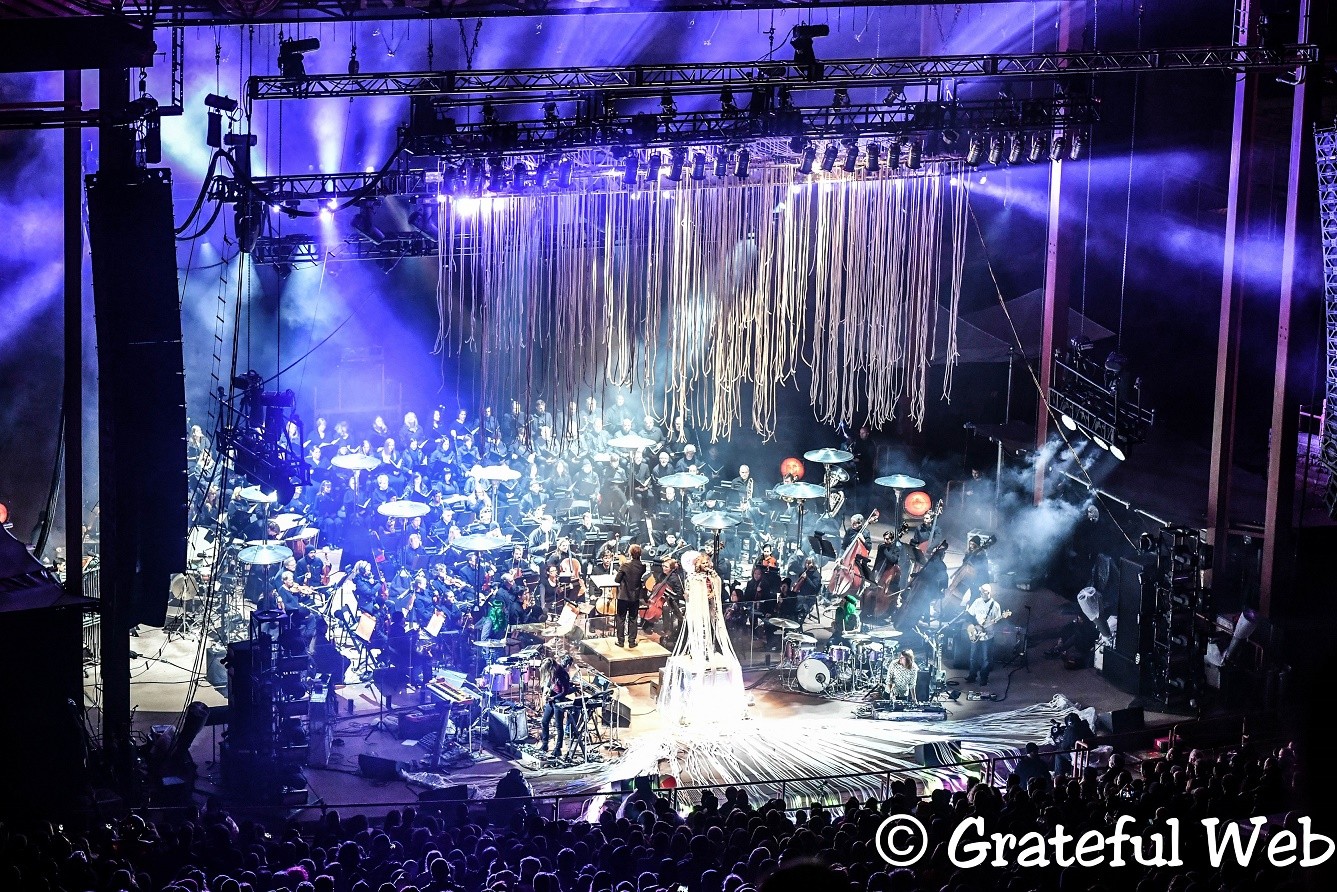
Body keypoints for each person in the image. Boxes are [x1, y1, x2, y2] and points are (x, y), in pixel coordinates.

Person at [539, 653, 577, 758]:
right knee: (544, 721)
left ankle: (558, 749)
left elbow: (564, 692)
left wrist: (553, 698)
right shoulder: (553, 672)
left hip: (559, 701)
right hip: (551, 700)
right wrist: (546, 692)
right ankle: (545, 744)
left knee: (559, 726)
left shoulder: (563, 675)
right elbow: (549, 683)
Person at [965, 582, 1002, 686]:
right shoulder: (977, 602)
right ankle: (972, 676)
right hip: (976, 634)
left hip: (988, 635)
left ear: (988, 592)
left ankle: (983, 678)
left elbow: (998, 620)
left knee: (986, 658)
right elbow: (969, 615)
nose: (980, 593)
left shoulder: (995, 606)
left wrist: (995, 622)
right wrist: (976, 625)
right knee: (973, 657)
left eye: (982, 592)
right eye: (980, 591)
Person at [615, 544, 645, 648]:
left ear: (630, 553)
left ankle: (621, 641)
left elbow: (617, 580)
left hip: (623, 596)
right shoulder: (642, 567)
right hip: (635, 597)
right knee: (633, 619)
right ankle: (632, 642)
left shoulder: (625, 565)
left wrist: (621, 568)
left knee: (621, 618)